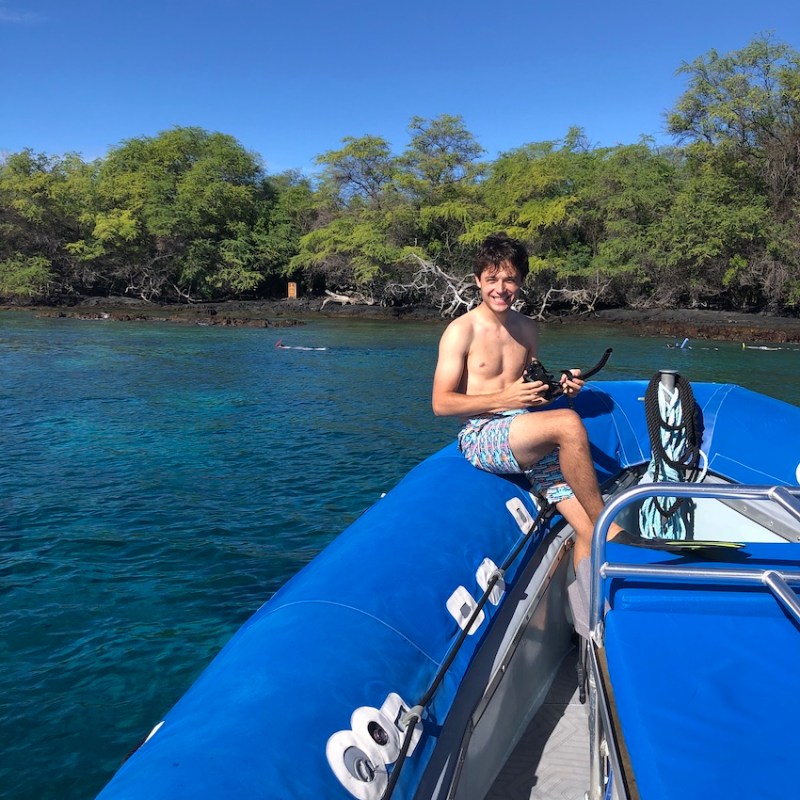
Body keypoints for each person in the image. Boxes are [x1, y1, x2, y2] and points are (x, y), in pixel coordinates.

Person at [431, 233, 623, 566]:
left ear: (521, 282)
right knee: (568, 423)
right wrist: (503, 398)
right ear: (478, 281)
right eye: (492, 279)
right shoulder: (462, 331)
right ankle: (607, 521)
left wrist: (561, 389)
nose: (500, 288)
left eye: (510, 279)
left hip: (524, 430)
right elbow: (441, 404)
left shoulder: (528, 329)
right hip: (480, 434)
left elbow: (533, 395)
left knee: (587, 531)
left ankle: (589, 596)